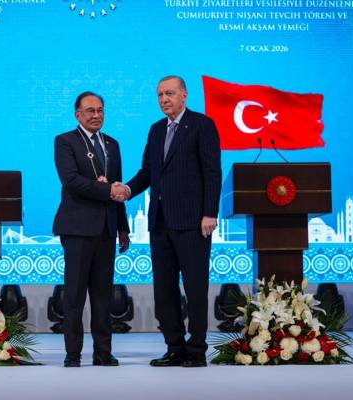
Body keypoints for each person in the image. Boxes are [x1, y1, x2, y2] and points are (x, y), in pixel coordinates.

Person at [123, 76, 221, 367]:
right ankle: (175, 348)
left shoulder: (202, 125)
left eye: (170, 93)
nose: (164, 99)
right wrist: (127, 190)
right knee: (164, 291)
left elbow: (212, 172)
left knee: (195, 288)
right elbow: (148, 172)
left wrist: (210, 213)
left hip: (193, 222)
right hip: (160, 223)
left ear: (184, 95)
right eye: (160, 95)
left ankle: (197, 350)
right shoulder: (156, 130)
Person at [53, 91, 130, 368]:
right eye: (90, 111)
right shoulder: (65, 141)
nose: (96, 115)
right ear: (78, 114)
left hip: (107, 228)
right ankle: (73, 353)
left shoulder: (112, 144)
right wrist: (105, 189)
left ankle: (103, 353)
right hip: (77, 228)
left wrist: (122, 227)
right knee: (74, 295)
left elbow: (117, 187)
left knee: (102, 296)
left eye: (100, 110)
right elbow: (71, 181)